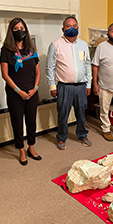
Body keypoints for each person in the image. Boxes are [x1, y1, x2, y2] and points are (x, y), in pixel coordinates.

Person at [46, 16, 92, 150]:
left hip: (81, 86)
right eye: (68, 26)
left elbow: (87, 64)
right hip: (64, 87)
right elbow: (49, 67)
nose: (72, 28)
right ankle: (61, 138)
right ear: (63, 29)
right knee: (62, 114)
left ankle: (82, 135)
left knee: (82, 113)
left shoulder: (83, 45)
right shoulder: (55, 44)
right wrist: (52, 86)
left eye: (74, 26)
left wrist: (88, 84)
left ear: (78, 28)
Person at [0, 18, 41, 165]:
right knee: (17, 123)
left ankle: (31, 147)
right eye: (16, 28)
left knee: (31, 122)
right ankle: (21, 150)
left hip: (32, 92)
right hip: (15, 94)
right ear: (11, 31)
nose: (19, 31)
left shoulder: (32, 50)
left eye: (22, 27)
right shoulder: (6, 50)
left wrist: (35, 88)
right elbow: (5, 74)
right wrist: (19, 91)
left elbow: (38, 72)